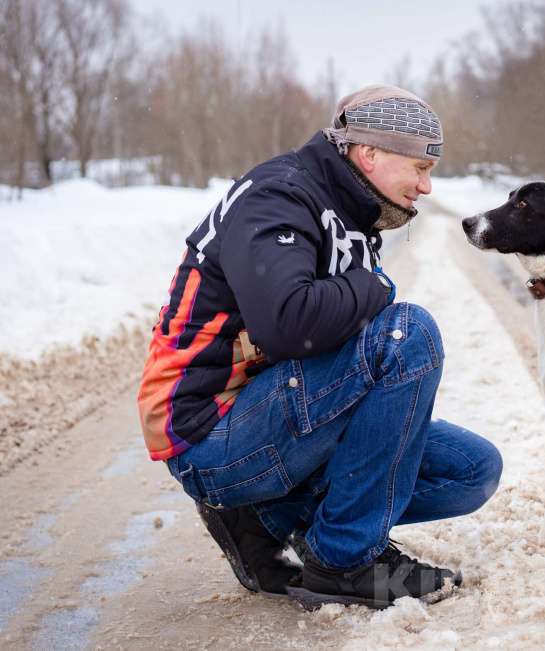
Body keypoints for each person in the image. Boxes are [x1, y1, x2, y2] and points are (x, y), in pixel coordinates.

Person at [137, 85, 503, 610]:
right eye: (420, 167)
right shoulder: (278, 195)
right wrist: (377, 289)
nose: (426, 186)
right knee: (406, 333)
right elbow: (288, 322)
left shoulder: (350, 212)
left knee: (472, 470)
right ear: (369, 152)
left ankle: (269, 517)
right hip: (207, 432)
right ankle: (345, 561)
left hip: (269, 411)